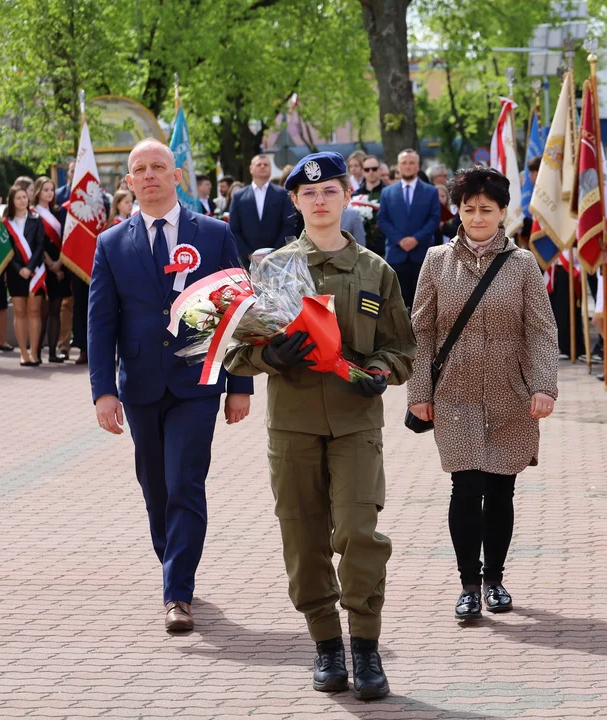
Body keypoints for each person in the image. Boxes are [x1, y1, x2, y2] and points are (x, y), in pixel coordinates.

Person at [227, 152, 415, 701]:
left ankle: (366, 648)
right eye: (308, 194)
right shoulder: (272, 271)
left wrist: (379, 371)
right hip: (294, 426)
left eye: (330, 191)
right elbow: (237, 352)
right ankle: (327, 646)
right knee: (303, 538)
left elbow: (401, 345)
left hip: (356, 422)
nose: (319, 200)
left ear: (346, 195)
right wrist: (272, 358)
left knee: (359, 532)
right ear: (295, 203)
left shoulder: (376, 270)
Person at [89, 138, 254, 632]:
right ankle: (173, 561)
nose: (150, 175)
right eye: (139, 169)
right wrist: (103, 390)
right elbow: (100, 324)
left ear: (177, 175)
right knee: (155, 488)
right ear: (129, 182)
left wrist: (239, 384)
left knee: (185, 482)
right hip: (139, 384)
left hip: (197, 381)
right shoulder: (112, 244)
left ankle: (177, 591)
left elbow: (237, 308)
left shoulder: (215, 234)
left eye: (159, 166)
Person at [407, 166, 558, 621]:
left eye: (486, 210)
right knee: (465, 486)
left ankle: (495, 579)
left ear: (502, 213)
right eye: (469, 209)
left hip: (511, 394)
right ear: (458, 210)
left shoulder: (523, 264)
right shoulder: (436, 260)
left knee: (501, 488)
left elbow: (542, 330)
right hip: (454, 393)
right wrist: (419, 389)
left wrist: (543, 385)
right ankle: (468, 585)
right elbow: (422, 330)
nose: (476, 217)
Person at [377, 149, 441, 309]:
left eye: (411, 163)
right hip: (396, 256)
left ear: (418, 166)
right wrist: (399, 239)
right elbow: (383, 220)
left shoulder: (431, 191)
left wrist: (416, 239)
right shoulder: (387, 192)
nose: (407, 166)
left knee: (423, 305)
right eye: (404, 163)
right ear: (398, 166)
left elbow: (434, 219)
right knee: (396, 306)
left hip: (422, 255)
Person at [227, 154, 297, 267]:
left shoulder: (282, 194)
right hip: (247, 262)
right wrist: (249, 254)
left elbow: (288, 226)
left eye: (266, 164)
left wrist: (274, 253)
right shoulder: (239, 197)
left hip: (278, 261)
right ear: (251, 169)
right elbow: (234, 229)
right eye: (259, 164)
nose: (263, 166)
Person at [3, 185, 46, 367]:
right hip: (15, 273)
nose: (23, 200)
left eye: (24, 197)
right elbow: (7, 249)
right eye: (18, 198)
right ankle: (23, 353)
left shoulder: (36, 220)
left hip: (34, 271)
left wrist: (29, 267)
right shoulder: (6, 223)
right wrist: (18, 268)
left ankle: (34, 351)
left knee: (35, 311)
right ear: (12, 201)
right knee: (19, 312)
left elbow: (40, 245)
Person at [31, 176, 69, 363]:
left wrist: (59, 263)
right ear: (38, 191)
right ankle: (36, 352)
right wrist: (50, 264)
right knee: (42, 312)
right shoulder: (33, 213)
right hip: (41, 267)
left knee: (56, 310)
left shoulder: (60, 212)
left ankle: (53, 352)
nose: (49, 193)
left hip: (59, 266)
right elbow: (37, 242)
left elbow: (66, 239)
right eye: (45, 189)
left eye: (51, 190)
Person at [351, 155, 386, 257]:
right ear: (362, 171)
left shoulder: (389, 193)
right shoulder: (354, 195)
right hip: (361, 249)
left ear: (380, 170)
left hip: (383, 248)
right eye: (367, 169)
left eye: (374, 169)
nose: (371, 172)